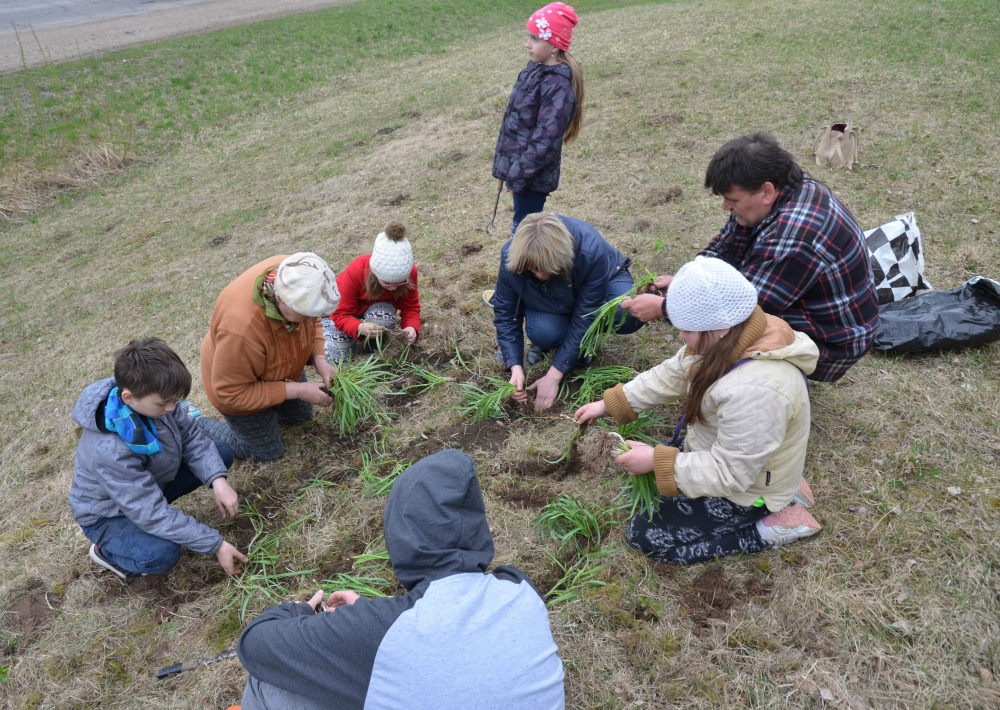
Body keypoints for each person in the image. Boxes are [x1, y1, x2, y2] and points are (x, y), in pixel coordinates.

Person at [231, 450, 565, 710]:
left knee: (271, 682)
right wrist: (368, 618)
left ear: (402, 536)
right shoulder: (518, 588)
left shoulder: (379, 633)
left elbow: (254, 645)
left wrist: (298, 611)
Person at [576, 257, 823, 564]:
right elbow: (675, 372)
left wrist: (656, 460)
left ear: (719, 326)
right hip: (740, 455)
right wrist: (610, 403)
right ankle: (786, 486)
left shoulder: (756, 391)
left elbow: (731, 474)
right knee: (651, 482)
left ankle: (769, 527)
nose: (681, 336)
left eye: (686, 329)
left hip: (745, 486)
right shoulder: (734, 336)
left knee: (644, 536)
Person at [621, 133, 878, 382]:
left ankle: (769, 382)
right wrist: (685, 283)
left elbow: (741, 309)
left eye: (732, 200)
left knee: (723, 335)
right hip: (798, 303)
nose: (726, 207)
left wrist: (663, 309)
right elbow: (725, 245)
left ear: (766, 191)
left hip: (832, 340)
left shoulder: (795, 236)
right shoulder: (777, 190)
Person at [69, 338, 247, 579]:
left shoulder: (151, 396)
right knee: (162, 554)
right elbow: (149, 511)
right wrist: (215, 544)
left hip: (146, 487)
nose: (173, 409)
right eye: (164, 403)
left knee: (220, 453)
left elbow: (191, 436)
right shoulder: (111, 451)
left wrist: (218, 480)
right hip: (110, 514)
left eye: (174, 400)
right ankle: (106, 552)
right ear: (128, 398)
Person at [487, 212, 645, 411]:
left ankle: (581, 342)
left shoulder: (589, 251)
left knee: (627, 314)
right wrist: (515, 366)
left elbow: (587, 313)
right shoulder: (512, 255)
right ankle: (566, 336)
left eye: (545, 269)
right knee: (544, 333)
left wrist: (553, 376)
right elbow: (505, 311)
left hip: (604, 282)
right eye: (533, 269)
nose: (539, 274)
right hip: (552, 295)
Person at [197, 253, 340, 461]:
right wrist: (298, 390)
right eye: (305, 314)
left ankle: (273, 403)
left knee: (300, 417)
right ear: (282, 300)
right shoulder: (241, 329)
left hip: (281, 362)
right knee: (266, 453)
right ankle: (195, 426)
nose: (312, 319)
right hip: (238, 384)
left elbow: (313, 319)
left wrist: (320, 359)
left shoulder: (299, 271)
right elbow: (231, 392)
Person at [492, 2, 584, 235]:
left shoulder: (558, 87)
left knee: (524, 235)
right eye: (528, 37)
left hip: (533, 177)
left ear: (553, 45)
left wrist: (517, 176)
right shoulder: (534, 70)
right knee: (522, 229)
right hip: (522, 172)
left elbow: (545, 142)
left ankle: (528, 269)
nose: (527, 44)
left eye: (535, 38)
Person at [323, 221, 421, 364]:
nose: (393, 288)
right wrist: (358, 327)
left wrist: (411, 326)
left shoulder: (410, 272)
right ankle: (325, 330)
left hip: (375, 308)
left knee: (383, 318)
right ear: (375, 274)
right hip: (340, 312)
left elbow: (411, 307)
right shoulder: (356, 271)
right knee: (338, 359)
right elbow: (339, 314)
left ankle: (373, 347)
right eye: (387, 283)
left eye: (400, 283)